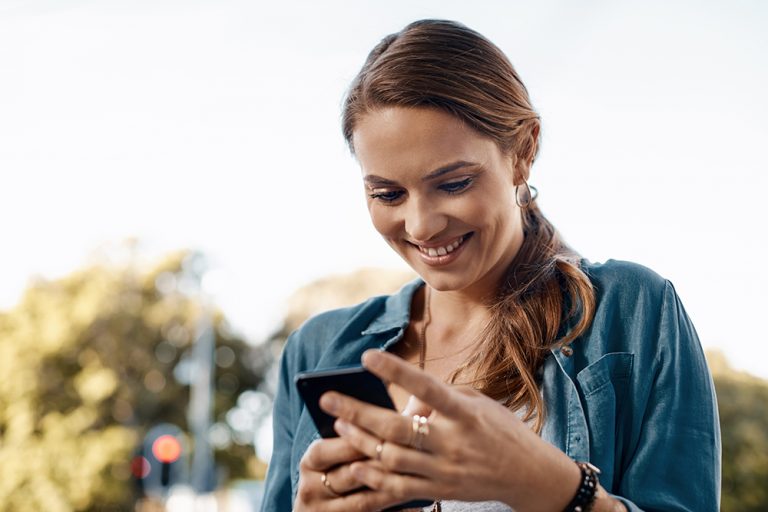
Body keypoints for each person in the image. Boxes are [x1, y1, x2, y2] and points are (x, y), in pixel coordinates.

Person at [260, 19, 720, 512]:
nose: (421, 226)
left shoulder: (630, 312)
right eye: (388, 193)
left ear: (523, 152)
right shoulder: (317, 351)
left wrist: (557, 488)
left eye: (453, 183)